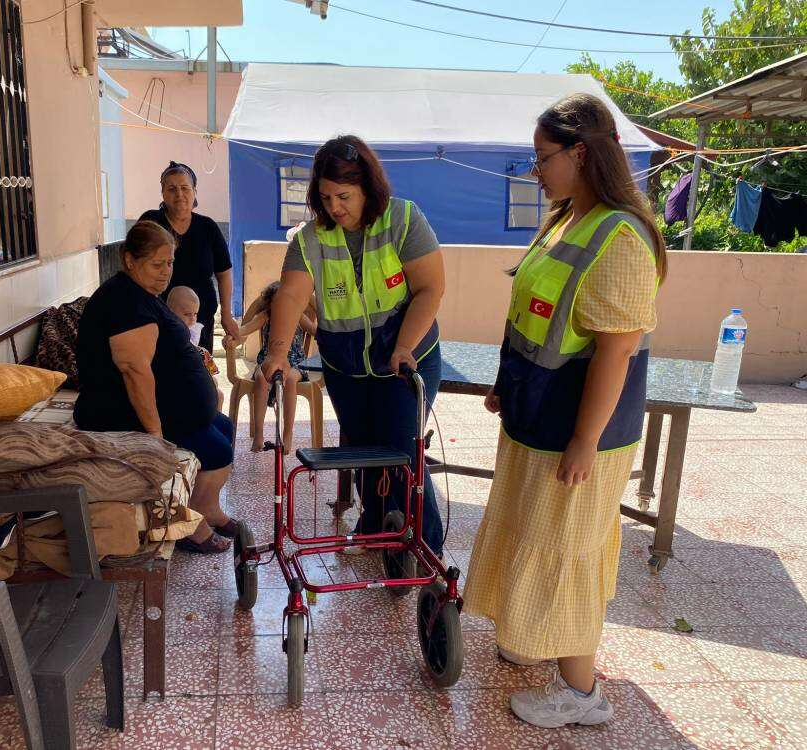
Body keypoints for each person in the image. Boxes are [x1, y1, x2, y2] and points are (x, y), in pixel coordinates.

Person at [463, 93, 667, 727]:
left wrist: (585, 438)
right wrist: (507, 382)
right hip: (537, 415)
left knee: (569, 547)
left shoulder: (621, 236)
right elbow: (535, 316)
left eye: (542, 157)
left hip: (581, 432)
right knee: (534, 531)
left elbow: (616, 353)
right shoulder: (565, 221)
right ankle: (532, 636)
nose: (536, 170)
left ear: (582, 152)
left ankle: (582, 694)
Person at [260, 135, 446, 555]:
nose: (334, 207)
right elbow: (289, 295)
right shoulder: (310, 239)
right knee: (363, 451)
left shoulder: (403, 219)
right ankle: (377, 528)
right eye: (325, 197)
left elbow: (430, 289)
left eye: (343, 196)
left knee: (401, 450)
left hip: (406, 358)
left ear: (368, 188)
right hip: (346, 368)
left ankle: (425, 547)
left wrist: (404, 346)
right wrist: (277, 353)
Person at [74, 220, 238, 554]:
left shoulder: (140, 293)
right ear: (130, 260)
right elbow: (134, 371)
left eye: (170, 263)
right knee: (216, 450)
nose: (166, 272)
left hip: (165, 404)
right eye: (156, 264)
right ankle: (192, 523)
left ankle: (207, 508)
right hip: (118, 411)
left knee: (223, 427)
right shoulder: (125, 302)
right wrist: (155, 434)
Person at [140, 161, 240, 352]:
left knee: (199, 370)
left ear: (194, 192)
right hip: (157, 318)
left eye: (185, 188)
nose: (179, 194)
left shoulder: (208, 227)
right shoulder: (151, 222)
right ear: (162, 193)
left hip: (200, 318)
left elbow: (224, 273)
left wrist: (226, 313)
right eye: (172, 188)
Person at [226, 281, 316, 454]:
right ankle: (259, 434)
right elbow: (245, 329)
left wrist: (333, 335)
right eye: (278, 303)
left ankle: (287, 434)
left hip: (295, 362)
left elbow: (313, 330)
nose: (283, 308)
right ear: (270, 303)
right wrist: (232, 335)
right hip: (268, 361)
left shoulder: (297, 315)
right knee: (260, 378)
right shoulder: (265, 316)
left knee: (290, 379)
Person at [166, 286, 225, 411]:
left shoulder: (193, 330)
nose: (193, 318)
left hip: (196, 379)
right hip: (180, 385)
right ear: (169, 312)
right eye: (187, 314)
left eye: (195, 314)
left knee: (218, 393)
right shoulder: (167, 334)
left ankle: (214, 422)